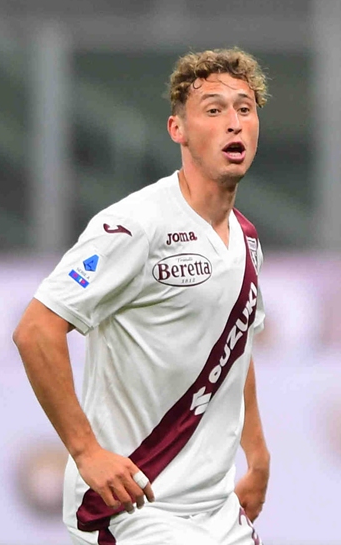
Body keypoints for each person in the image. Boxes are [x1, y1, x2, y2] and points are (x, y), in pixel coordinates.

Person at [14, 49, 271, 545]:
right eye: (213, 110)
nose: (233, 123)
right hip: (134, 507)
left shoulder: (246, 237)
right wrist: (87, 452)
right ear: (178, 129)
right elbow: (35, 330)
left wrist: (257, 456)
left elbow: (238, 343)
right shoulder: (137, 225)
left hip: (216, 511)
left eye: (245, 108)